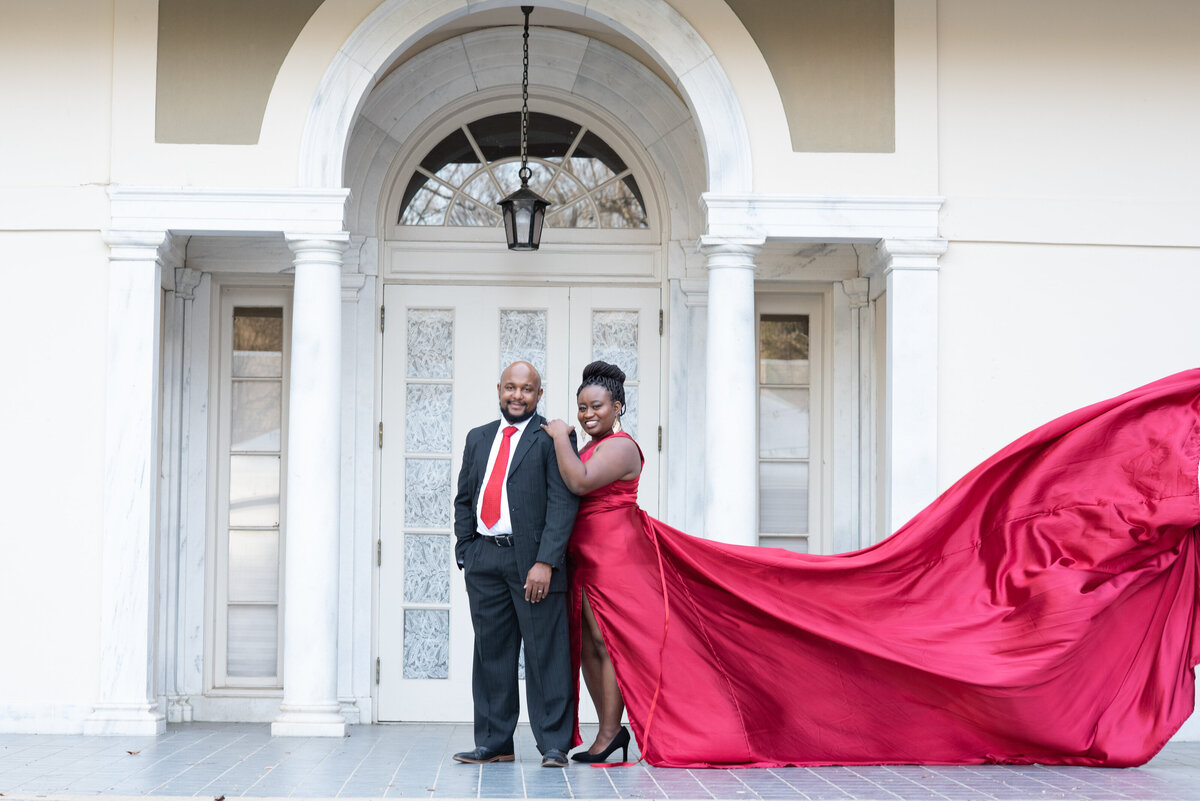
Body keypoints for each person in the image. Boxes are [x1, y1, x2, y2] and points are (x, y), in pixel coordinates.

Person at [541, 362, 1200, 768]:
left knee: (620, 641)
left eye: (596, 404)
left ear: (618, 408)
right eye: (582, 405)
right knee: (598, 645)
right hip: (598, 561)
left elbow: (575, 481)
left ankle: (621, 732)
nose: (588, 411)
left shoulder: (617, 447)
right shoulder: (604, 438)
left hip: (622, 558)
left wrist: (560, 435)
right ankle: (608, 735)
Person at [452, 361, 580, 768]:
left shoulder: (551, 440)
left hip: (533, 562)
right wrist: (466, 550)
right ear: (499, 389)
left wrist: (545, 561)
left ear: (539, 395)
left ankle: (554, 744)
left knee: (546, 653)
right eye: (511, 388)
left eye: (527, 389)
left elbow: (563, 503)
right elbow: (464, 498)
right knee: (492, 653)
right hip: (485, 558)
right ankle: (494, 741)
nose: (517, 396)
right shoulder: (478, 438)